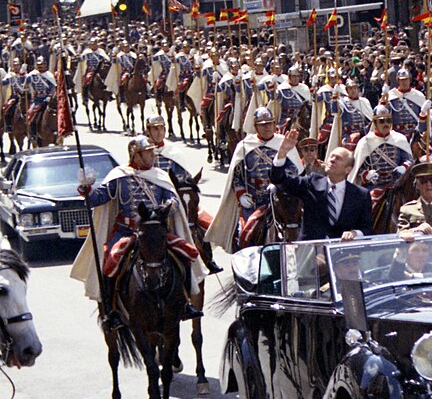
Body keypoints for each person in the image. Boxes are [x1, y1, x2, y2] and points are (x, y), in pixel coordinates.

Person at [71, 135, 204, 329]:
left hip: (155, 232)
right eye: (148, 152)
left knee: (186, 253)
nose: (152, 155)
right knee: (110, 262)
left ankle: (185, 302)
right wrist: (87, 189)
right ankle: (111, 310)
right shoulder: (119, 176)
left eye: (152, 151)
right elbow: (98, 198)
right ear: (136, 155)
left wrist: (167, 206)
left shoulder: (160, 176)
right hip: (126, 231)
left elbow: (173, 199)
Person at [206, 107, 302, 253]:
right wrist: (241, 195)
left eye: (269, 123)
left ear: (274, 124)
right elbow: (237, 176)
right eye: (262, 125)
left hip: (281, 200)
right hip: (255, 200)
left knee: (299, 227)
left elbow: (293, 170)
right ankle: (247, 259)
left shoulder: (283, 143)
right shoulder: (245, 146)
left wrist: (280, 185)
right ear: (255, 126)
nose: (267, 127)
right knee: (245, 233)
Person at [269, 129, 375, 241]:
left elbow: (367, 229)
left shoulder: (361, 195)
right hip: (311, 249)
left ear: (348, 169)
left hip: (342, 250)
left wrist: (355, 233)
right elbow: (279, 180)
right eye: (331, 156)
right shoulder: (311, 183)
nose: (332, 160)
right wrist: (282, 153)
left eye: (338, 158)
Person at [351, 104, 414, 202]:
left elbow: (409, 160)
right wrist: (366, 175)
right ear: (375, 123)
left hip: (397, 184)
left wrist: (404, 167)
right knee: (371, 204)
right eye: (381, 121)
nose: (386, 124)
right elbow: (357, 167)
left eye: (388, 121)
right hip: (376, 185)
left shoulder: (399, 139)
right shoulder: (365, 142)